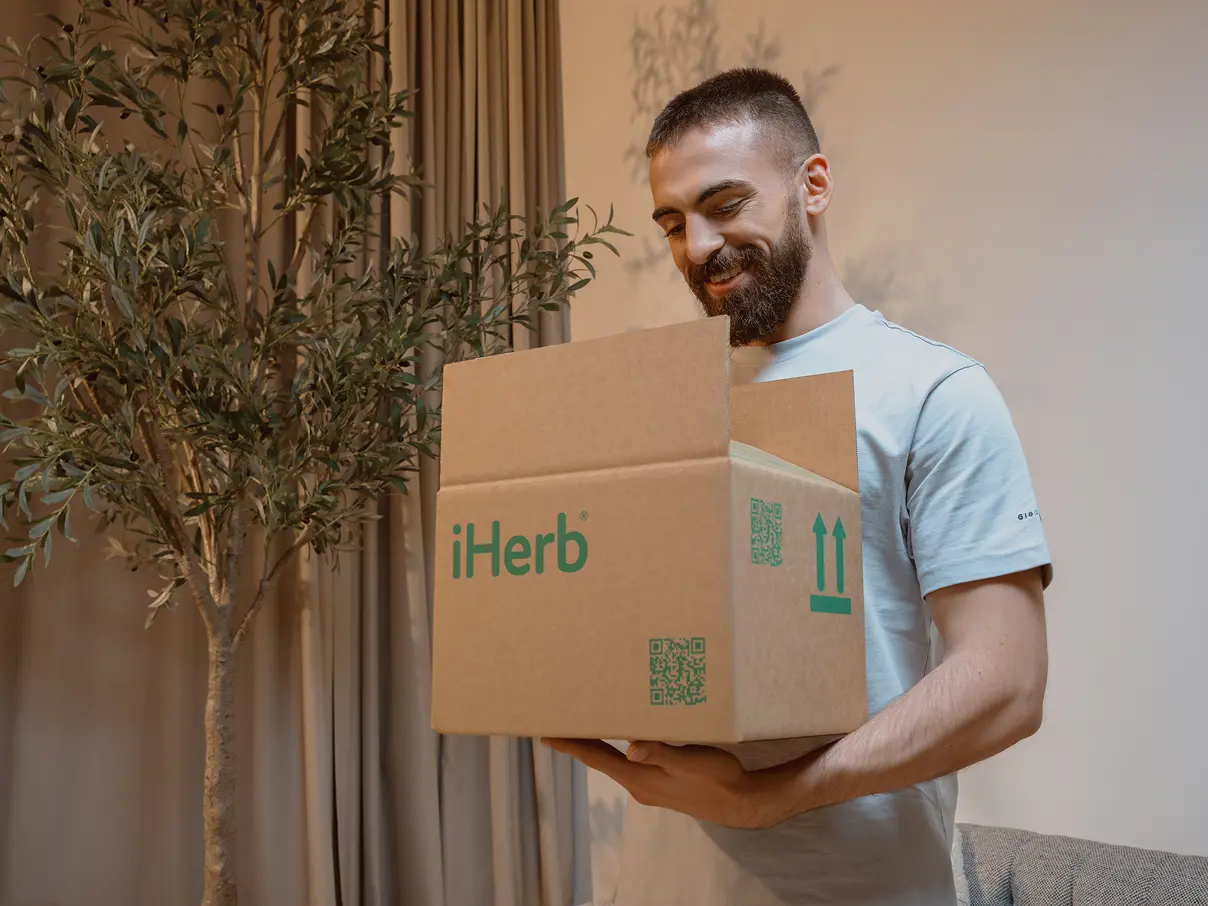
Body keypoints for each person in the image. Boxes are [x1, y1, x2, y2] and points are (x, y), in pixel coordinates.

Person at [542, 68, 1054, 906]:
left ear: (811, 186)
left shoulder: (930, 390)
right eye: (673, 222)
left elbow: (1007, 683)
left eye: (726, 204)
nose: (697, 245)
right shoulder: (659, 399)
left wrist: (773, 796)